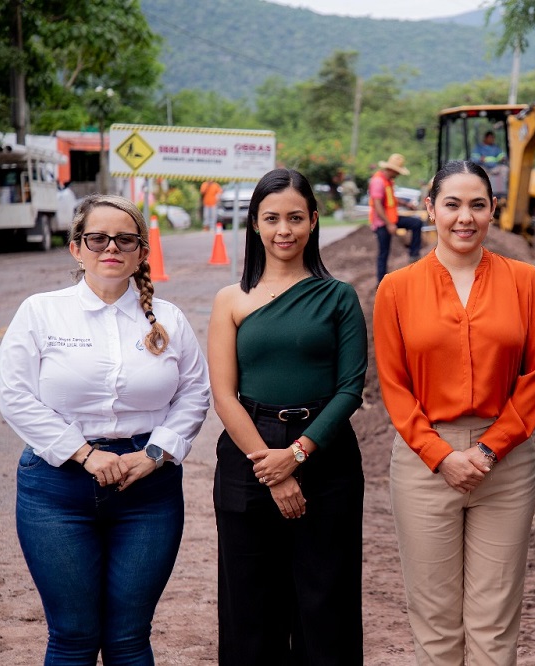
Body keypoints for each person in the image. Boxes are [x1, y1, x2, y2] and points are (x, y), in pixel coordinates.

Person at [0, 194, 210, 664]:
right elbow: (14, 395)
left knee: (129, 637)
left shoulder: (169, 319)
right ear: (76, 248)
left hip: (147, 490)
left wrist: (155, 454)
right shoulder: (41, 312)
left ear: (141, 251)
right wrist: (85, 454)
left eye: (125, 239)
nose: (110, 247)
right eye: (97, 238)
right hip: (56, 489)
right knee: (72, 636)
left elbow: (195, 393)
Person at [373, 160, 535, 665]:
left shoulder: (525, 282)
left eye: (477, 205)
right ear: (430, 209)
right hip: (424, 461)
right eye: (451, 204)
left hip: (507, 463)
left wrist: (491, 449)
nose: (464, 217)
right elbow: (394, 385)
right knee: (434, 624)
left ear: (492, 210)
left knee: (494, 625)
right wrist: (441, 454)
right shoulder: (397, 289)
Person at [208, 167, 368, 665]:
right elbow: (224, 395)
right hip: (247, 458)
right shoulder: (230, 299)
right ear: (255, 222)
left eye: (296, 218)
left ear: (314, 221)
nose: (284, 230)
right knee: (249, 609)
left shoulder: (338, 297)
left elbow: (350, 390)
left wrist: (297, 455)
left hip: (326, 455)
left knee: (327, 606)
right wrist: (271, 468)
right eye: (272, 218)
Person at [369, 153, 423, 283]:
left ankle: (413, 254)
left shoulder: (388, 181)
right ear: (392, 170)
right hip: (382, 223)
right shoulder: (377, 181)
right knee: (384, 253)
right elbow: (377, 205)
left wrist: (406, 204)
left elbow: (391, 199)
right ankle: (380, 282)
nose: (398, 175)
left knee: (416, 223)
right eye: (397, 172)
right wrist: (389, 224)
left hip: (392, 219)